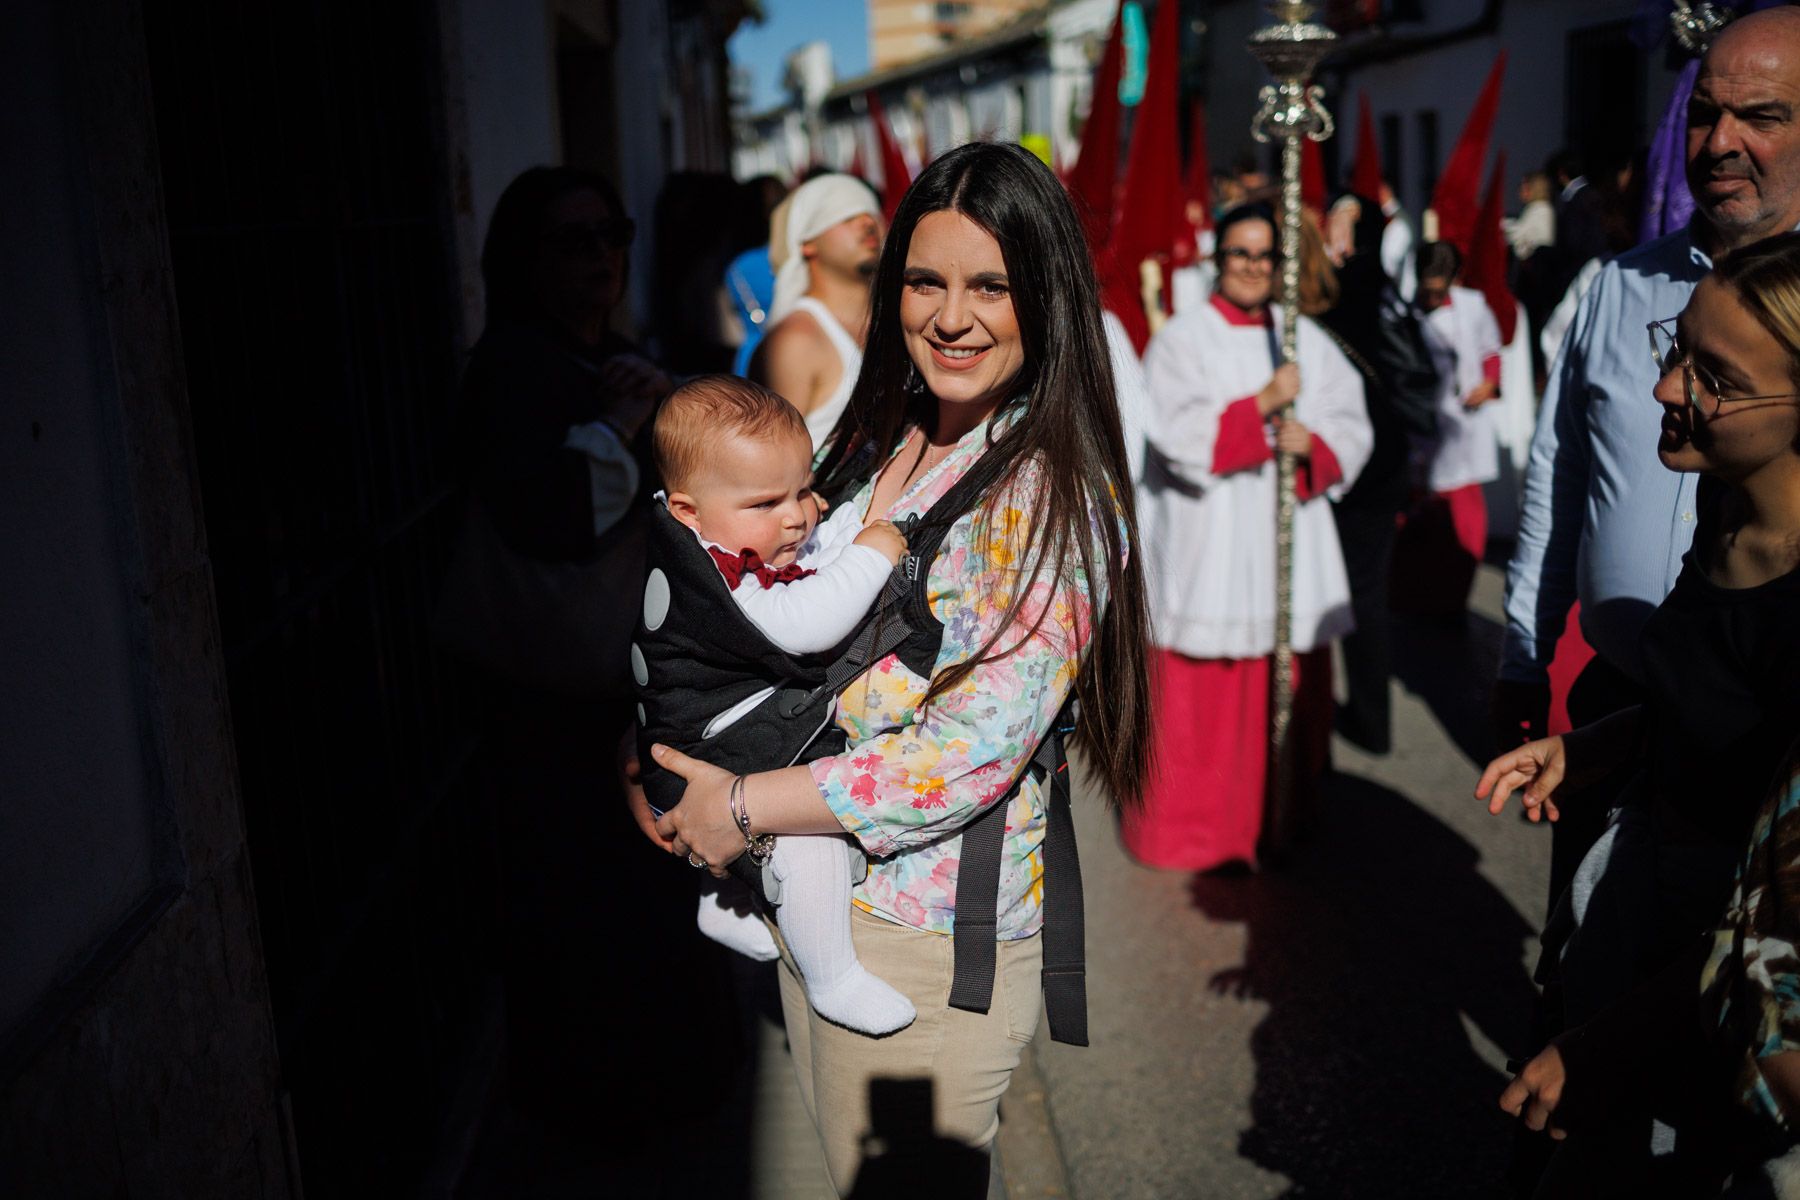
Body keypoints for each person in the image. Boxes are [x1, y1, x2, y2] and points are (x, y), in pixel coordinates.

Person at [629, 141, 1150, 1197]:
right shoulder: (883, 429)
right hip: (813, 896)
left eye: (990, 287)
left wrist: (740, 799)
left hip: (922, 942)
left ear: (1044, 295)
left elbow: (969, 751)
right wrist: (659, 737)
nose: (950, 317)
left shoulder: (1052, 496)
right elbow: (749, 587)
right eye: (926, 279)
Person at [1483, 231, 1800, 1188]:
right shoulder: (1724, 499)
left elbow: (1778, 918)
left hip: (1723, 987)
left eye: (1716, 378)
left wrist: (1615, 1042)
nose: (1666, 390)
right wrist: (1590, 750)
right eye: (1676, 349)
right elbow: (1695, 699)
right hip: (1646, 909)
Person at [1498, 7, 1800, 958]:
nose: (1719, 143)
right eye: (1703, 114)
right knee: (1586, 954)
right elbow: (1558, 478)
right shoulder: (1618, 287)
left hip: (1760, 745)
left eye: (1761, 116)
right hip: (1622, 699)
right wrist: (1524, 653)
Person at [447, 166, 708, 1121]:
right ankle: (600, 1112)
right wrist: (624, 423)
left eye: (612, 232)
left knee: (641, 902)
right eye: (572, 239)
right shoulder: (514, 368)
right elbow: (551, 515)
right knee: (580, 907)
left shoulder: (610, 354)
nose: (601, 255)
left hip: (625, 685)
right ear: (524, 257)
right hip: (553, 698)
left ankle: (654, 1092)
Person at [639, 375, 916, 1035]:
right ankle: (832, 977)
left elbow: (813, 555)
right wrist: (875, 552)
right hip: (706, 751)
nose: (796, 516)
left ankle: (723, 902)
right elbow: (804, 622)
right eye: (767, 501)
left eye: (803, 491)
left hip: (696, 742)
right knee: (808, 833)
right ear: (687, 512)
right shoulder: (717, 578)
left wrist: (851, 525)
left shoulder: (713, 539)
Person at [1125, 204, 1372, 871]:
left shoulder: (1304, 341)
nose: (1254, 268)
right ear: (1218, 258)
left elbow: (1352, 425)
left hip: (1287, 542)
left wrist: (1311, 443)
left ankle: (1281, 819)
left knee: (1284, 682)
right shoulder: (1183, 339)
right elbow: (1176, 436)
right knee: (1203, 701)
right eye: (1240, 253)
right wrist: (1263, 406)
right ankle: (1198, 832)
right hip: (1212, 540)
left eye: (1267, 257)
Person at [1318, 192, 1442, 754]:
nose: (1333, 232)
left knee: (1360, 595)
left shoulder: (1358, 280)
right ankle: (1368, 716)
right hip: (1375, 456)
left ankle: (1369, 720)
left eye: (1344, 222)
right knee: (1360, 591)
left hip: (1367, 464)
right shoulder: (1379, 286)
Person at [1391, 240, 1504, 617]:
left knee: (1464, 517)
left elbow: (1491, 349)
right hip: (1423, 428)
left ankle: (1455, 598)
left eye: (1441, 291)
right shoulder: (1405, 317)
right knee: (1423, 515)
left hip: (1465, 426)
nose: (1434, 298)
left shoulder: (1472, 307)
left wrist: (1488, 384)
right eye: (1428, 291)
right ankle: (1417, 598)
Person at [751, 173, 883, 450]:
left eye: (871, 213)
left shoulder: (900, 319)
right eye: (846, 217)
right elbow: (775, 456)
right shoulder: (795, 341)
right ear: (807, 242)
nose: (868, 223)